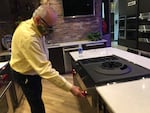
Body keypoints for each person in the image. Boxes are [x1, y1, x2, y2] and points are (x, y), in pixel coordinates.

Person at [9, 4, 85, 113]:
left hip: (32, 72)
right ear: (37, 19)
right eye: (49, 26)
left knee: (37, 98)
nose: (50, 30)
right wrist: (71, 88)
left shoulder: (35, 26)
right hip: (25, 75)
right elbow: (45, 70)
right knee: (36, 104)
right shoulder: (28, 37)